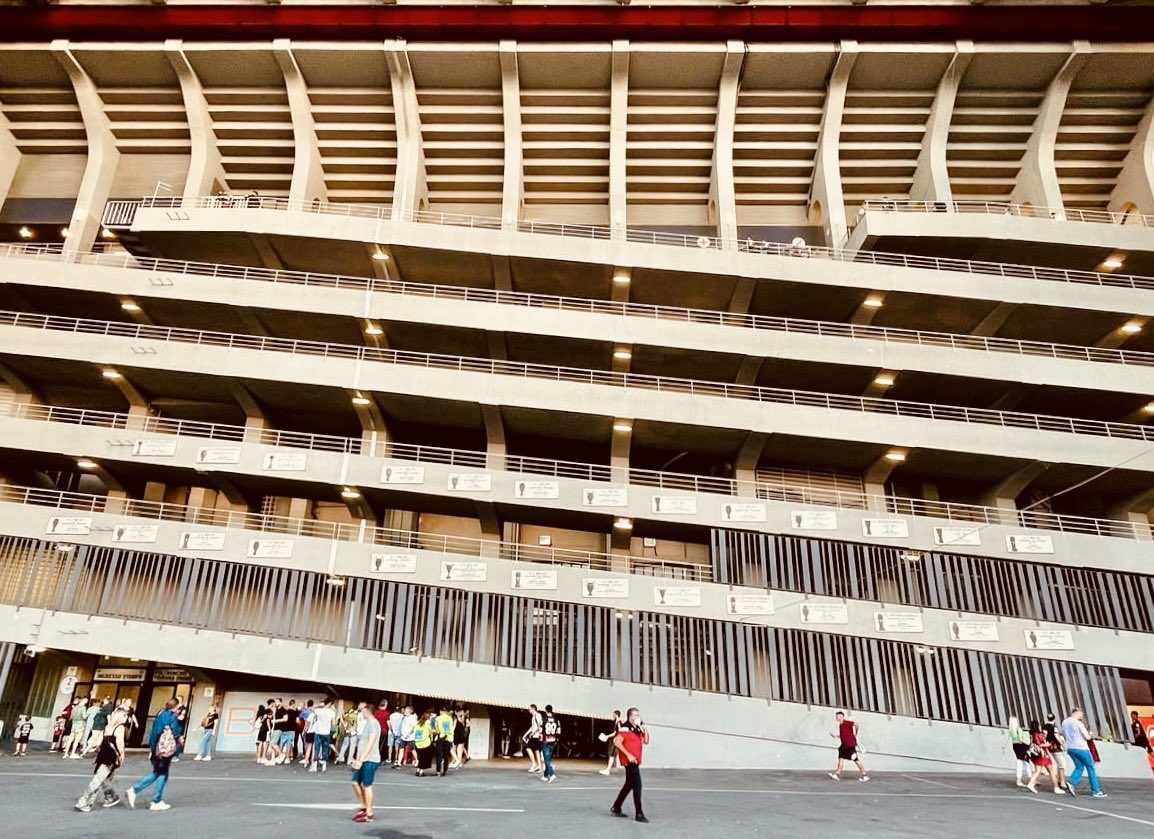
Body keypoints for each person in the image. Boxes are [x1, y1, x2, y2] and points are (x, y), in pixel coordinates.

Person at [126, 697, 183, 811]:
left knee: (161, 773)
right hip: (164, 750)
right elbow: (176, 732)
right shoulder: (172, 717)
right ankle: (142, 794)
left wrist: (152, 748)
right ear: (176, 707)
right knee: (160, 773)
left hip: (157, 748)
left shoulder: (161, 714)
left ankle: (154, 798)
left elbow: (155, 731)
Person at [75, 705, 128, 812]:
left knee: (102, 777)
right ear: (120, 716)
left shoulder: (108, 726)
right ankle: (84, 800)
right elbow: (120, 743)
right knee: (99, 779)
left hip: (103, 753)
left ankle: (106, 798)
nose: (126, 718)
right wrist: (122, 755)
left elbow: (101, 739)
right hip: (111, 755)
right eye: (125, 715)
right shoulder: (120, 727)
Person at [610, 707, 649, 823]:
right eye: (635, 715)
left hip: (635, 760)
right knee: (637, 785)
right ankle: (639, 813)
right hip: (630, 761)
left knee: (629, 784)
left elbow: (646, 741)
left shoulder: (637, 728)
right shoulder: (625, 728)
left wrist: (645, 729)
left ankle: (616, 807)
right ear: (630, 716)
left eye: (638, 715)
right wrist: (628, 755)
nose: (637, 717)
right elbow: (616, 741)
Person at [1062, 708, 1106, 798]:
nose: (1082, 716)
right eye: (1082, 714)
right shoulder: (1078, 723)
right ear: (1077, 712)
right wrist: (1090, 734)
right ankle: (1096, 790)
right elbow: (1087, 737)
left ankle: (1071, 782)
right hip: (1082, 748)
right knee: (1091, 768)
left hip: (1070, 748)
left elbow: (1063, 734)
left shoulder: (1064, 722)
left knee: (1079, 767)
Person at [350, 702, 381, 823]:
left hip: (370, 759)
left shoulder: (373, 724)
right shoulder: (367, 724)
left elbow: (371, 742)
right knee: (355, 782)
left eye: (362, 709)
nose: (360, 711)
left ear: (368, 711)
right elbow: (362, 743)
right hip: (363, 758)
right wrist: (357, 758)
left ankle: (369, 812)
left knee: (366, 785)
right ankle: (363, 806)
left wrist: (362, 759)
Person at [1023, 720, 1064, 795]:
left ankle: (1031, 783)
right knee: (1051, 771)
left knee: (1037, 770)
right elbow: (1040, 745)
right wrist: (1047, 745)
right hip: (1043, 755)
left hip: (1036, 755)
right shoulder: (1038, 734)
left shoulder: (1032, 734)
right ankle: (1056, 787)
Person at [828, 711, 869, 782]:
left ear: (842, 717)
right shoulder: (840, 725)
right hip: (843, 746)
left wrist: (856, 733)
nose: (837, 718)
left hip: (850, 745)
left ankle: (864, 775)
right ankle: (837, 774)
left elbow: (857, 724)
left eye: (839, 716)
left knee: (856, 760)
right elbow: (844, 735)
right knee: (840, 758)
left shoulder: (846, 723)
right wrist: (836, 736)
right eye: (837, 716)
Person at [310, 698, 337, 772]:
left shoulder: (319, 711)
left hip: (318, 732)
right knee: (325, 749)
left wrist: (318, 705)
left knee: (317, 748)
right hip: (326, 733)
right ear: (330, 704)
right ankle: (324, 765)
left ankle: (314, 765)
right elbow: (334, 723)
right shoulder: (332, 712)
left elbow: (311, 709)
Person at [1043, 713, 1068, 790]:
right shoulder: (1054, 727)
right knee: (1062, 764)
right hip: (1056, 748)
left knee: (1059, 763)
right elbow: (1057, 737)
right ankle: (1062, 782)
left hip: (1049, 747)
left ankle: (1059, 779)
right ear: (1054, 718)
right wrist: (1063, 745)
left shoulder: (1045, 726)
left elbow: (1044, 736)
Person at [1007, 715, 1031, 787]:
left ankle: (1019, 780)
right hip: (1021, 746)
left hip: (1015, 746)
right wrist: (1027, 743)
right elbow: (1021, 740)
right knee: (1027, 763)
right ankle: (1031, 779)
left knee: (1019, 762)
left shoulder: (1010, 730)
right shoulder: (1018, 729)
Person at [541, 705, 561, 783]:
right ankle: (545, 776)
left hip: (545, 740)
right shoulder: (556, 720)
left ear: (546, 710)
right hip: (553, 740)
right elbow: (559, 731)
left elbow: (540, 730)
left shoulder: (544, 719)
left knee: (546, 759)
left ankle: (552, 774)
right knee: (548, 758)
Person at [599, 710, 623, 775]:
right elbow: (616, 732)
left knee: (612, 755)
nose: (613, 715)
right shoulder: (616, 722)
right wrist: (607, 736)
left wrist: (609, 736)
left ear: (616, 715)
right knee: (612, 755)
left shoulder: (618, 722)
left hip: (616, 740)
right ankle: (607, 769)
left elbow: (619, 731)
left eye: (613, 714)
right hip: (615, 739)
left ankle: (607, 770)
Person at [433, 705, 454, 777]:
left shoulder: (438, 718)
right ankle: (445, 770)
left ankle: (438, 771)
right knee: (445, 755)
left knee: (439, 755)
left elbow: (437, 729)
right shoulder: (450, 718)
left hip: (441, 737)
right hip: (448, 738)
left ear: (441, 711)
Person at [523, 703, 544, 774]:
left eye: (529, 709)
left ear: (533, 709)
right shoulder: (533, 716)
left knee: (528, 748)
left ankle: (534, 764)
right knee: (536, 751)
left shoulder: (538, 715)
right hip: (534, 735)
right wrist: (525, 734)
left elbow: (539, 726)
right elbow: (532, 727)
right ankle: (539, 767)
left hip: (536, 736)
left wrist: (533, 733)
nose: (529, 710)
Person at [413, 712, 435, 776]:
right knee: (425, 758)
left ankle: (418, 770)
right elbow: (432, 731)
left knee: (420, 757)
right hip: (425, 743)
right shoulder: (428, 723)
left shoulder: (418, 723)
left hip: (417, 743)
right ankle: (421, 771)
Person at [373, 699, 391, 765]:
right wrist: (390, 730)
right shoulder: (387, 713)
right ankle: (378, 759)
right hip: (383, 731)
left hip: (376, 730)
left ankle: (374, 758)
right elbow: (388, 723)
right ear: (386, 705)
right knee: (380, 745)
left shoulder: (376, 712)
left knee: (375, 744)